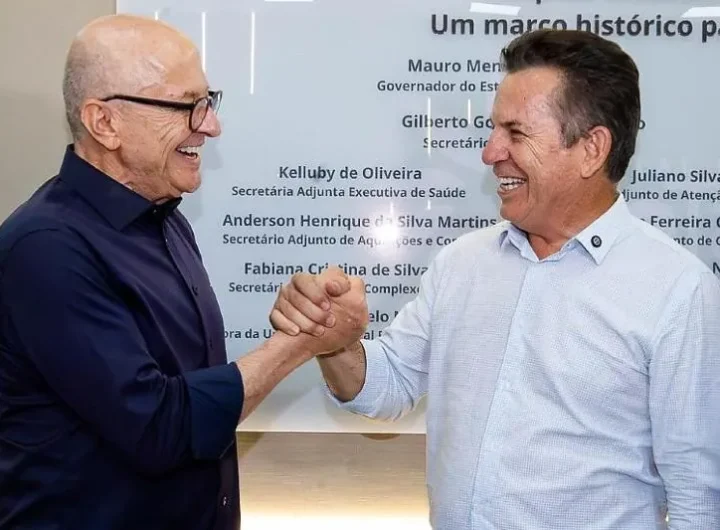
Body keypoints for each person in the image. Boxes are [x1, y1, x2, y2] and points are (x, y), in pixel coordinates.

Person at [270, 29, 720, 529]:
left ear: (592, 149)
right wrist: (337, 343)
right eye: (493, 130)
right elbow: (388, 387)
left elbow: (699, 499)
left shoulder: (677, 291)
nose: (489, 153)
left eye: (515, 133)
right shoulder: (463, 263)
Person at [0, 14, 367, 530]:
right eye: (184, 105)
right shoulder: (47, 248)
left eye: (209, 101)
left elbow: (188, 395)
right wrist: (301, 341)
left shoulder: (166, 221)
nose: (211, 125)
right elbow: (159, 428)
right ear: (104, 123)